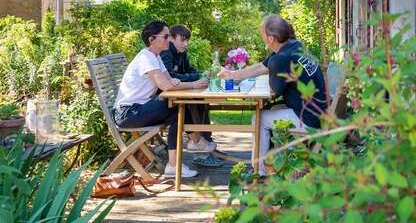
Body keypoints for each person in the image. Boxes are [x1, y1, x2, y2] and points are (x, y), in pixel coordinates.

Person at [218, 15, 327, 176]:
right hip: (320, 112)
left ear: (270, 38)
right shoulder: (295, 46)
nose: (260, 34)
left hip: (309, 119)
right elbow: (261, 67)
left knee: (259, 118)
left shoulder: (281, 58)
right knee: (271, 110)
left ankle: (258, 171)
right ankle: (269, 163)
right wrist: (232, 74)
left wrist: (271, 76)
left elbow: (272, 93)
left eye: (262, 32)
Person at [114, 20, 215, 178]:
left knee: (177, 108)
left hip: (139, 108)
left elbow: (169, 81)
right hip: (128, 113)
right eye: (166, 36)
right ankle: (196, 142)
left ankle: (176, 162)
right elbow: (166, 86)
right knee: (176, 106)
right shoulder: (146, 58)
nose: (169, 40)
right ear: (152, 39)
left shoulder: (155, 57)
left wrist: (178, 83)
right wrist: (193, 85)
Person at [160, 24, 222, 167]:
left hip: (177, 92)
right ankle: (202, 150)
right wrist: (196, 79)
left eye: (187, 40)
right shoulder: (166, 52)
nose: (186, 44)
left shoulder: (181, 52)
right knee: (192, 103)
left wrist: (200, 74)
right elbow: (171, 76)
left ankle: (206, 145)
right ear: (171, 39)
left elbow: (188, 70)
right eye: (182, 40)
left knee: (202, 102)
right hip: (164, 97)